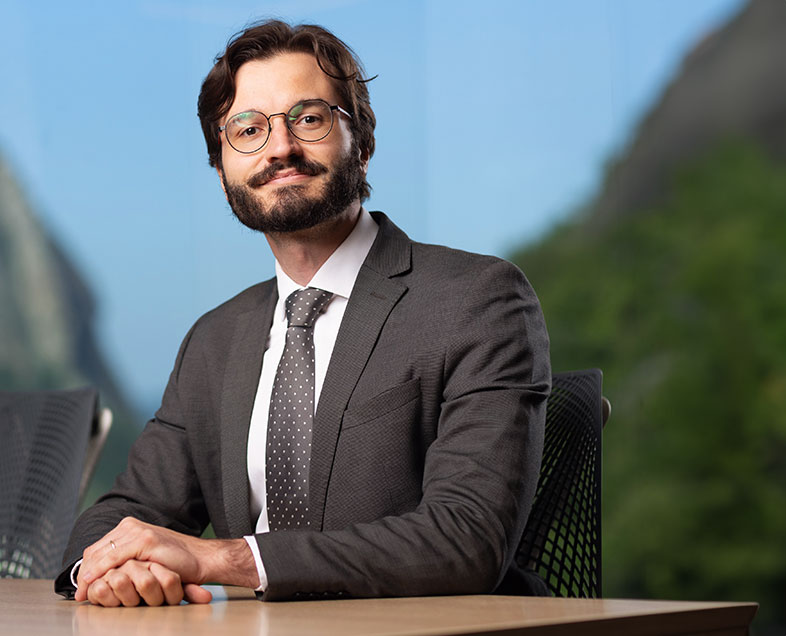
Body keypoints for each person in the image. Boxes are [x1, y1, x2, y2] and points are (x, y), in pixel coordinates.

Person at [55, 19, 551, 606]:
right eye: (248, 130)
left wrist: (225, 557)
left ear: (362, 146)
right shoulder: (214, 340)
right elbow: (122, 515)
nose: (280, 148)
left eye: (309, 119)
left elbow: (468, 538)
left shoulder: (477, 300)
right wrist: (110, 567)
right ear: (221, 174)